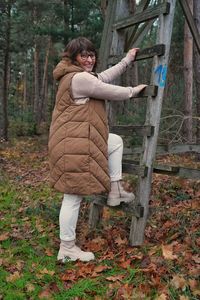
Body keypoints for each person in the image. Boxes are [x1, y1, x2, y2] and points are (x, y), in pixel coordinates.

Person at [48, 37, 147, 263]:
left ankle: (115, 190)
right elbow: (107, 89)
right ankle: (67, 248)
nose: (89, 59)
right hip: (72, 145)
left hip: (72, 142)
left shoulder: (76, 76)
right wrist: (132, 91)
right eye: (84, 55)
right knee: (72, 197)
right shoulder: (78, 78)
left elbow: (103, 77)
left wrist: (126, 61)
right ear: (73, 58)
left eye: (92, 55)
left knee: (113, 142)